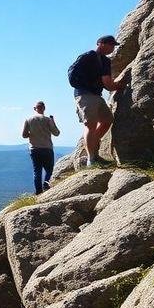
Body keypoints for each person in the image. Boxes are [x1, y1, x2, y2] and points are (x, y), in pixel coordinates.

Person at [69, 35, 127, 166]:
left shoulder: (105, 61)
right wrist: (121, 85)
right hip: (84, 94)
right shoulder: (88, 56)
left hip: (96, 95)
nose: (112, 48)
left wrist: (115, 86)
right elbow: (108, 84)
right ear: (100, 43)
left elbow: (107, 83)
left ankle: (93, 147)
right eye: (111, 45)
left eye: (113, 45)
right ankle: (91, 159)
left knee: (107, 120)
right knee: (91, 125)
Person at [22, 101, 60, 194]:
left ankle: (38, 192)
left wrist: (32, 134)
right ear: (44, 108)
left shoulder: (28, 119)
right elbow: (56, 133)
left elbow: (24, 135)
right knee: (49, 170)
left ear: (35, 108)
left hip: (34, 149)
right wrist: (53, 122)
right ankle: (46, 185)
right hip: (47, 148)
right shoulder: (48, 119)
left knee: (37, 171)